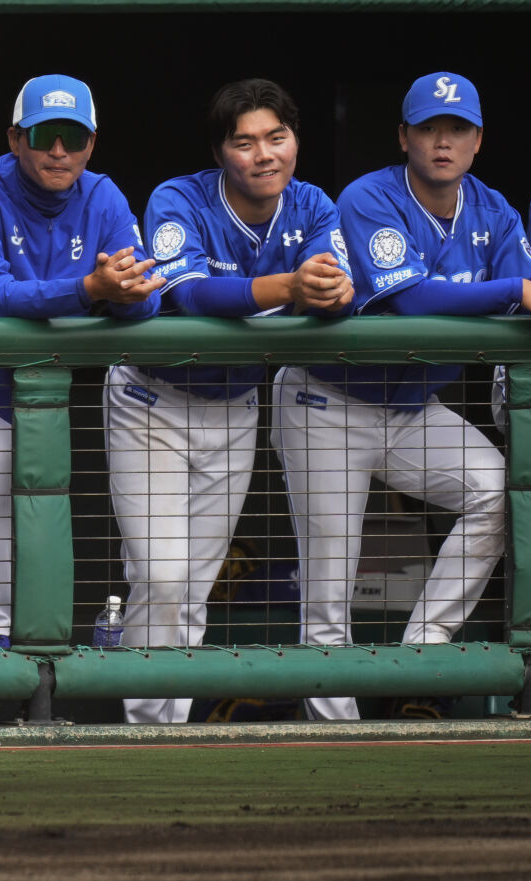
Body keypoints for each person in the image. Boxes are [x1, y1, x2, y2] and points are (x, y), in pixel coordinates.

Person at [273, 71, 531, 721]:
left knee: (493, 488)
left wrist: (517, 290)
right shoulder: (367, 196)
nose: (441, 142)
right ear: (403, 137)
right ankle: (335, 740)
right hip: (326, 402)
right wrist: (508, 292)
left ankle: (423, 649)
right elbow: (412, 297)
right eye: (427, 129)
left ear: (477, 141)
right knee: (329, 583)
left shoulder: (493, 211)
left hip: (412, 409)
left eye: (456, 129)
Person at [0, 74, 163, 728]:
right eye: (42, 136)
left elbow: (149, 299)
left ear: (90, 143)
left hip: (28, 415)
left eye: (73, 137)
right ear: (13, 139)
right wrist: (88, 289)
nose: (58, 151)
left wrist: (125, 293)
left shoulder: (101, 194)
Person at [110, 78, 354, 724]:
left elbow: (337, 290)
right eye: (243, 142)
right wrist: (288, 286)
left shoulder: (311, 205)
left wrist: (319, 290)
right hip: (151, 398)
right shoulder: (178, 196)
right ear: (220, 152)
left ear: (294, 140)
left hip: (236, 403)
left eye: (276, 136)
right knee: (160, 577)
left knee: (192, 587)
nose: (263, 153)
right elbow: (186, 294)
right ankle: (143, 731)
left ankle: (170, 730)